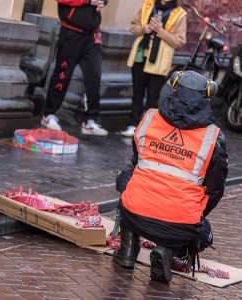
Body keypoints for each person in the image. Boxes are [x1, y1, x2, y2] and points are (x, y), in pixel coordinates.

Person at [113, 70, 228, 283]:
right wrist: (193, 214)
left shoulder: (149, 117)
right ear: (207, 95)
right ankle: (168, 249)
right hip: (180, 224)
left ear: (174, 89)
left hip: (134, 214)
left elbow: (137, 161)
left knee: (127, 177)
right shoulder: (214, 136)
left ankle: (127, 250)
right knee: (204, 231)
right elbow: (215, 190)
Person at [41, 0, 108, 136]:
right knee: (63, 74)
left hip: (92, 35)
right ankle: (49, 114)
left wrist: (102, 2)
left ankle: (90, 120)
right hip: (71, 32)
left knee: (94, 75)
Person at [121, 0, 187, 137]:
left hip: (159, 60)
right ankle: (133, 124)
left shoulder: (180, 14)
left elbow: (180, 41)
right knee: (137, 94)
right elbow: (133, 27)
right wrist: (145, 29)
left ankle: (147, 129)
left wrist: (160, 31)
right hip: (140, 54)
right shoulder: (148, 5)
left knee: (152, 97)